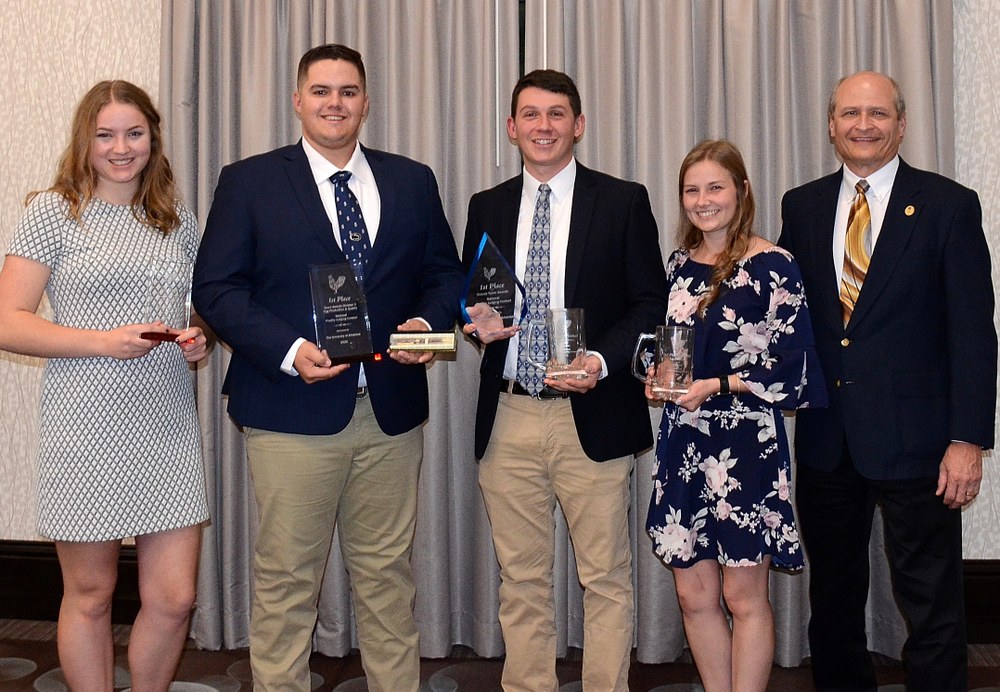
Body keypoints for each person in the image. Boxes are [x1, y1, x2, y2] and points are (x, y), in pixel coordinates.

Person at [191, 44, 463, 692]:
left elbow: (445, 276)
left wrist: (426, 326)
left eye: (347, 92)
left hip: (390, 414)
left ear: (365, 102)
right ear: (298, 100)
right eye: (321, 91)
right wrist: (288, 352)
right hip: (289, 414)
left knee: (388, 580)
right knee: (287, 579)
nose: (334, 103)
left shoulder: (411, 179)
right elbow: (217, 289)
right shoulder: (248, 180)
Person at [778, 71, 996, 692]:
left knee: (930, 607)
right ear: (831, 125)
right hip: (827, 442)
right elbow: (790, 320)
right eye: (850, 113)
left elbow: (973, 334)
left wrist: (967, 439)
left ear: (901, 124)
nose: (863, 125)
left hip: (922, 445)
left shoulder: (949, 204)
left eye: (877, 113)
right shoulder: (804, 204)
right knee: (835, 607)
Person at [460, 69, 668, 691]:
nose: (542, 126)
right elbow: (474, 300)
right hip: (510, 414)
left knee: (604, 576)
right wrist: (474, 324)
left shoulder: (623, 199)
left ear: (578, 125)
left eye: (556, 115)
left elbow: (649, 302)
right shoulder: (486, 206)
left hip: (594, 415)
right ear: (511, 127)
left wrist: (601, 361)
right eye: (530, 114)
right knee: (520, 577)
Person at [0, 80, 209, 690]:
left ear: (153, 138)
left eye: (135, 133)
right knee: (91, 593)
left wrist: (197, 338)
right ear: (84, 140)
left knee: (174, 597)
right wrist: (103, 341)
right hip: (85, 424)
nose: (122, 148)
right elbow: (9, 321)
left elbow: (197, 313)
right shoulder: (52, 211)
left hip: (165, 423)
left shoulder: (177, 219)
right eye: (106, 134)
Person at [645, 139, 826, 692]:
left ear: (742, 190)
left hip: (746, 448)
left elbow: (793, 370)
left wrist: (718, 384)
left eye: (715, 187)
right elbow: (666, 347)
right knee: (693, 595)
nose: (703, 201)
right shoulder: (677, 265)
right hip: (684, 444)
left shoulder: (775, 265)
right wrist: (654, 373)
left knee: (741, 596)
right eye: (692, 190)